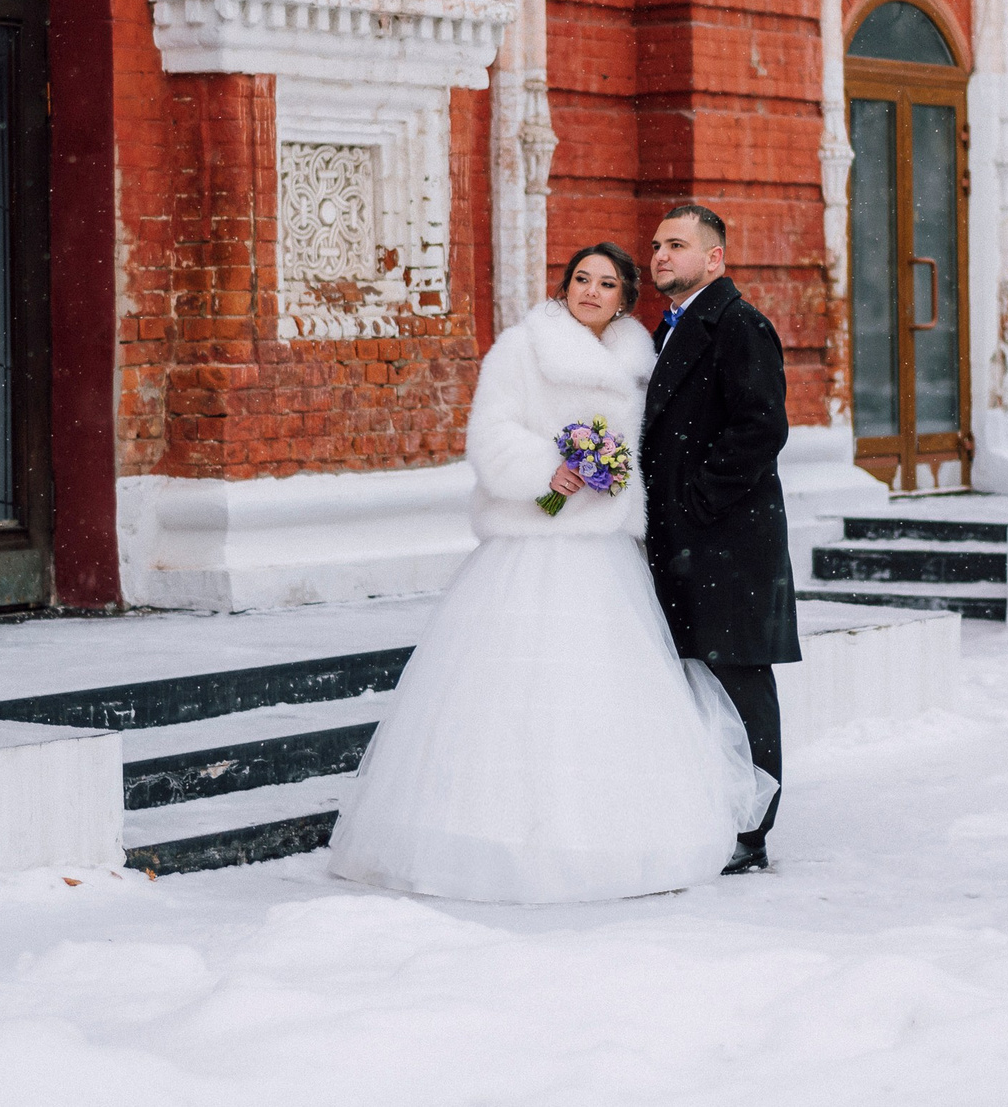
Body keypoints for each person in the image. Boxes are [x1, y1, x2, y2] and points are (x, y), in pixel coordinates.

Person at [327, 242, 772, 904]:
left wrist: (617, 475)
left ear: (625, 299)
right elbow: (490, 433)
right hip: (533, 547)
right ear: (564, 288)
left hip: (607, 555)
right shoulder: (522, 348)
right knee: (511, 692)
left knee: (604, 696)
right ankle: (492, 838)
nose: (591, 291)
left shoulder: (642, 362)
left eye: (608, 283)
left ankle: (611, 836)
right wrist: (549, 469)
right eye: (581, 279)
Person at [640, 204, 798, 874]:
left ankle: (752, 829)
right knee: (699, 678)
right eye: (656, 245)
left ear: (714, 258)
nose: (660, 255)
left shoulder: (738, 324)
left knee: (738, 678)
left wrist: (696, 501)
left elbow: (762, 428)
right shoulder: (668, 328)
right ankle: (716, 808)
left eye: (677, 244)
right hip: (686, 540)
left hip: (727, 541)